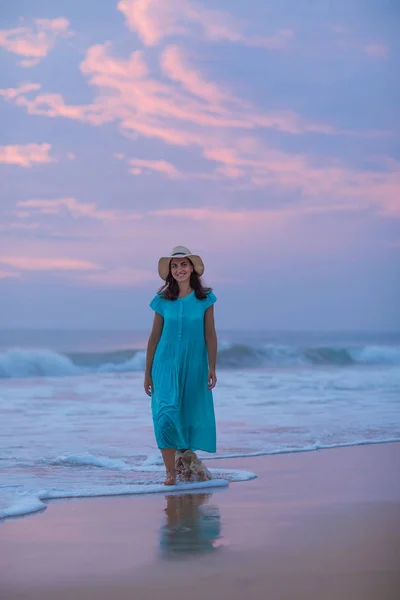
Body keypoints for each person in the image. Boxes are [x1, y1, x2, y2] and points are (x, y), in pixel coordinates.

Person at [144, 246, 218, 486]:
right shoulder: (162, 301)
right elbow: (154, 337)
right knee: (164, 414)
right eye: (174, 266)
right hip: (164, 363)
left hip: (194, 363)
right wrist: (147, 373)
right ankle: (170, 473)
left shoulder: (205, 298)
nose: (179, 269)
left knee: (186, 412)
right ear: (169, 272)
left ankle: (185, 460)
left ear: (192, 268)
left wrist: (212, 367)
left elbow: (210, 334)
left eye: (183, 265)